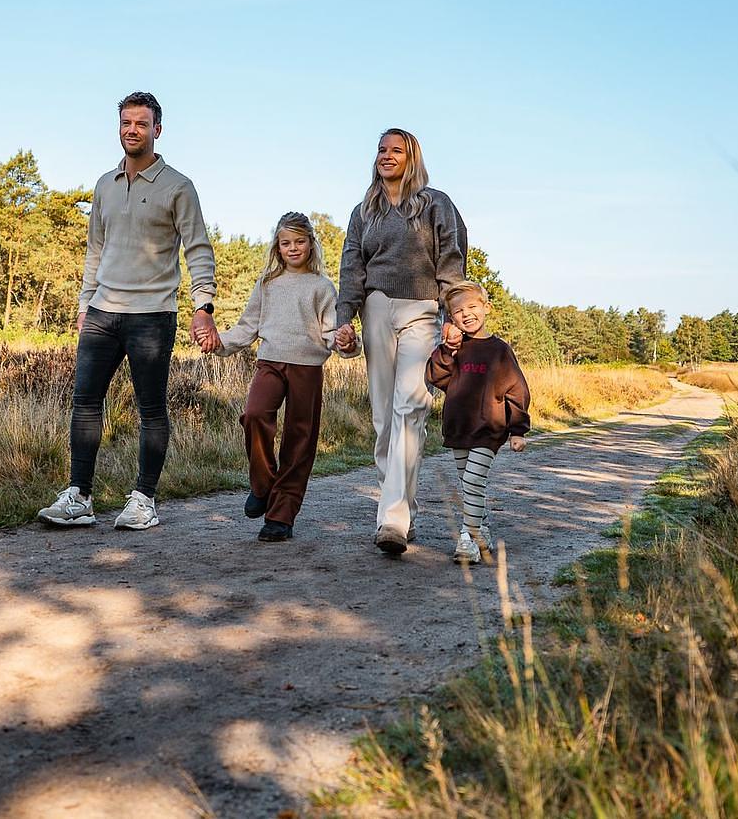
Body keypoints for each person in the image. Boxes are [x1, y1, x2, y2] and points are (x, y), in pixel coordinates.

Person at [37, 91, 219, 531]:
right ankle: (79, 497)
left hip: (152, 315)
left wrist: (204, 305)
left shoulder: (178, 187)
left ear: (157, 129)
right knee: (85, 403)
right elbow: (94, 250)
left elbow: (198, 249)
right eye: (126, 123)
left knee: (150, 408)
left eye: (141, 123)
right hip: (102, 311)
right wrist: (84, 305)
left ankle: (144, 500)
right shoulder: (105, 184)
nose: (132, 130)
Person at [333, 128, 468, 556]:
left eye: (396, 150)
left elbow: (451, 263)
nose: (386, 156)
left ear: (412, 159)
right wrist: (343, 319)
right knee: (383, 420)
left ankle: (391, 519)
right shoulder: (364, 212)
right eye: (381, 150)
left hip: (422, 310)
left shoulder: (436, 204)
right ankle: (403, 509)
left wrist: (454, 316)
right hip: (376, 309)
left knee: (411, 407)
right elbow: (351, 269)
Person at [208, 212, 359, 542]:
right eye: (286, 242)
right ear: (277, 247)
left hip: (307, 368)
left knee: (299, 439)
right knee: (254, 414)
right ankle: (263, 485)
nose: (293, 248)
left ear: (311, 244)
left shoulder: (322, 286)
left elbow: (332, 334)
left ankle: (281, 515)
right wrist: (218, 342)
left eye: (300, 241)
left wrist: (347, 343)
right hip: (270, 363)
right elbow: (247, 327)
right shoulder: (267, 284)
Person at [424, 280, 530, 564]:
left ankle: (468, 538)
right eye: (458, 311)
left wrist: (518, 430)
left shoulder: (499, 350)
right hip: (458, 427)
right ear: (451, 317)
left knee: (472, 480)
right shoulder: (452, 348)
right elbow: (435, 377)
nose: (466, 314)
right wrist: (447, 351)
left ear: (487, 307)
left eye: (472, 307)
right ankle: (482, 531)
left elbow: (517, 390)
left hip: (488, 429)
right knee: (469, 484)